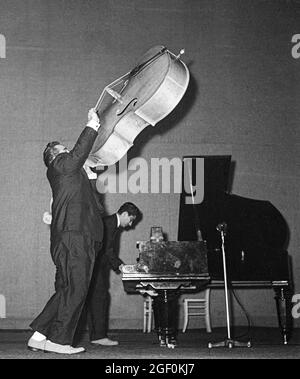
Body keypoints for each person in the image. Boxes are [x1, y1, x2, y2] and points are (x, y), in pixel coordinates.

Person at [28, 108, 104, 355]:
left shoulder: (69, 176)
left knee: (67, 289)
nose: (69, 151)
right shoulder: (59, 165)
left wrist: (91, 178)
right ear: (54, 156)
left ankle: (40, 335)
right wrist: (92, 125)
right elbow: (77, 154)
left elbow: (92, 204)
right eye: (64, 149)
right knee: (77, 288)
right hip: (75, 237)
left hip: (73, 237)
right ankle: (59, 340)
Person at [86, 202, 141, 346]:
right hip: (96, 268)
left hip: (96, 267)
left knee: (95, 300)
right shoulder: (109, 224)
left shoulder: (111, 223)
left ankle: (96, 336)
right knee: (100, 299)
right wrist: (121, 266)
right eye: (130, 219)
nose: (130, 224)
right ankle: (98, 336)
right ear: (124, 214)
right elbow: (108, 251)